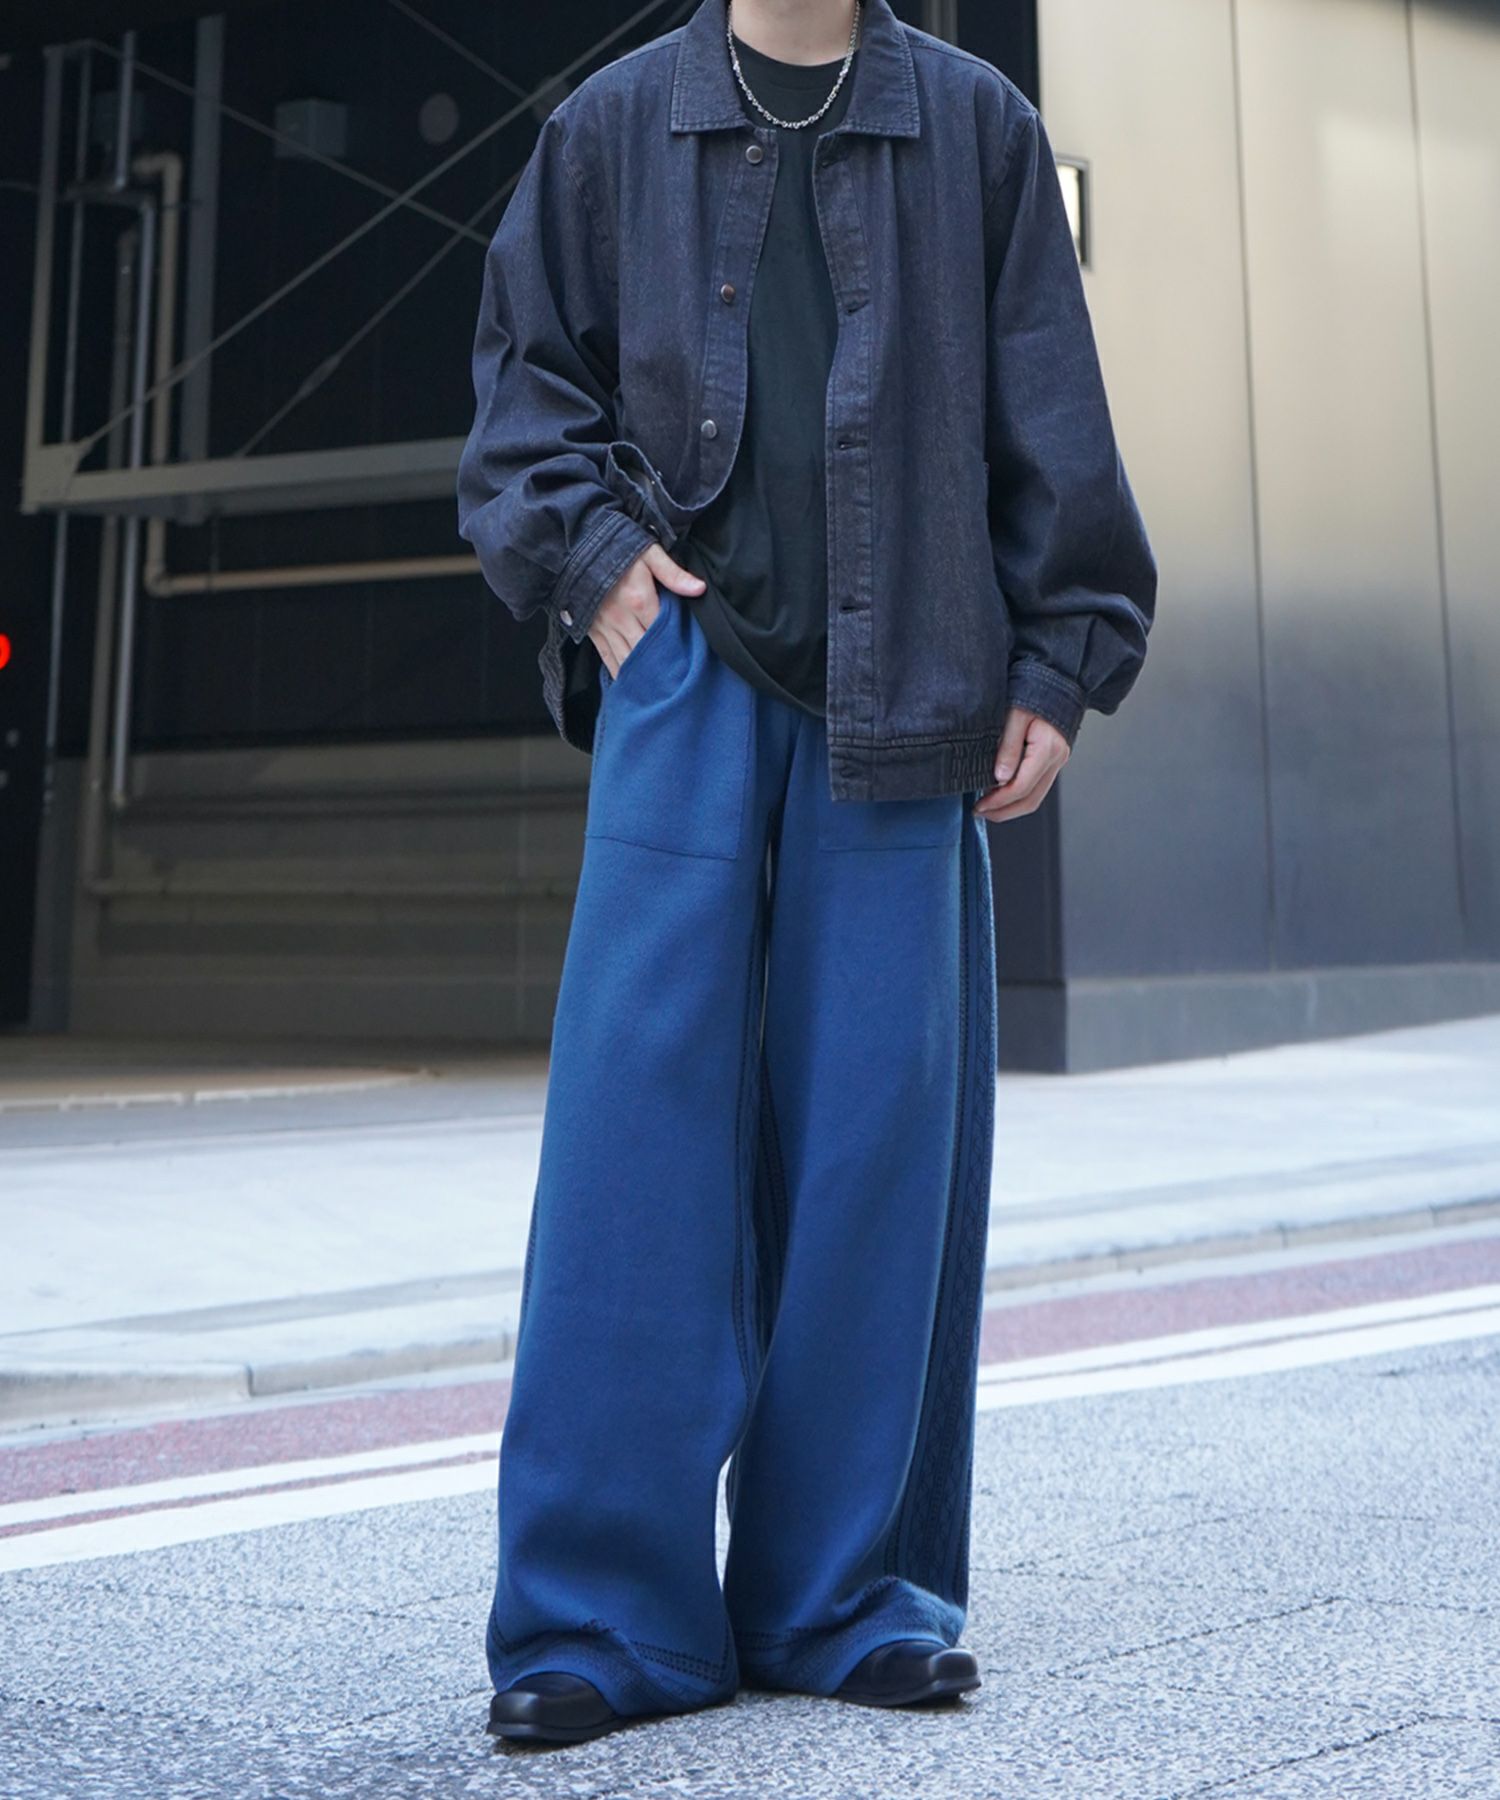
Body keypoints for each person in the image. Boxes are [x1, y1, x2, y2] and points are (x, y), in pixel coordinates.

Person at [456, 0, 1156, 1747]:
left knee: (876, 1156)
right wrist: (596, 565)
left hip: (911, 682)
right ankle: (601, 1620)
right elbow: (524, 390)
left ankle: (842, 1596)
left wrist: (1058, 657)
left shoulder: (976, 128)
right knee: (632, 1153)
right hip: (683, 681)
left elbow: (1051, 406)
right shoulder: (612, 126)